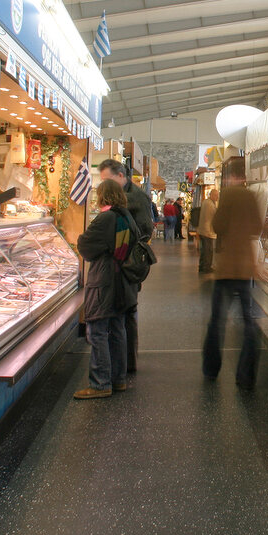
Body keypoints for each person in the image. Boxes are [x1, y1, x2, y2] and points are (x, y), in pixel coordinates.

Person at [74, 179, 140, 399]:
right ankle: (118, 379)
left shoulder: (105, 218)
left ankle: (101, 383)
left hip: (105, 280)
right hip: (123, 282)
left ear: (103, 196)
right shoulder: (126, 216)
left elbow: (85, 245)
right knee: (117, 329)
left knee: (98, 331)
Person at [202, 158, 264, 389]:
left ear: (231, 177)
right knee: (249, 322)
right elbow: (257, 227)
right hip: (246, 266)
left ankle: (211, 369)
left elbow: (218, 226)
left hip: (227, 266)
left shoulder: (227, 195)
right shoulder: (251, 196)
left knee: (217, 321)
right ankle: (245, 375)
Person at [98, 159, 153, 374]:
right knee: (127, 310)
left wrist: (126, 247)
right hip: (128, 263)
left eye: (107, 180)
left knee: (127, 311)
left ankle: (125, 363)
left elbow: (145, 229)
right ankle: (125, 361)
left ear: (120, 176)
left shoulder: (132, 198)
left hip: (128, 264)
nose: (103, 186)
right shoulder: (129, 196)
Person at [197, 189, 219, 274]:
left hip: (203, 230)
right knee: (208, 250)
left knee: (204, 250)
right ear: (212, 195)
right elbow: (214, 216)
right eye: (216, 195)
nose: (217, 197)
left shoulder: (205, 202)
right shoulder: (210, 204)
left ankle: (202, 266)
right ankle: (207, 267)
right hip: (207, 231)